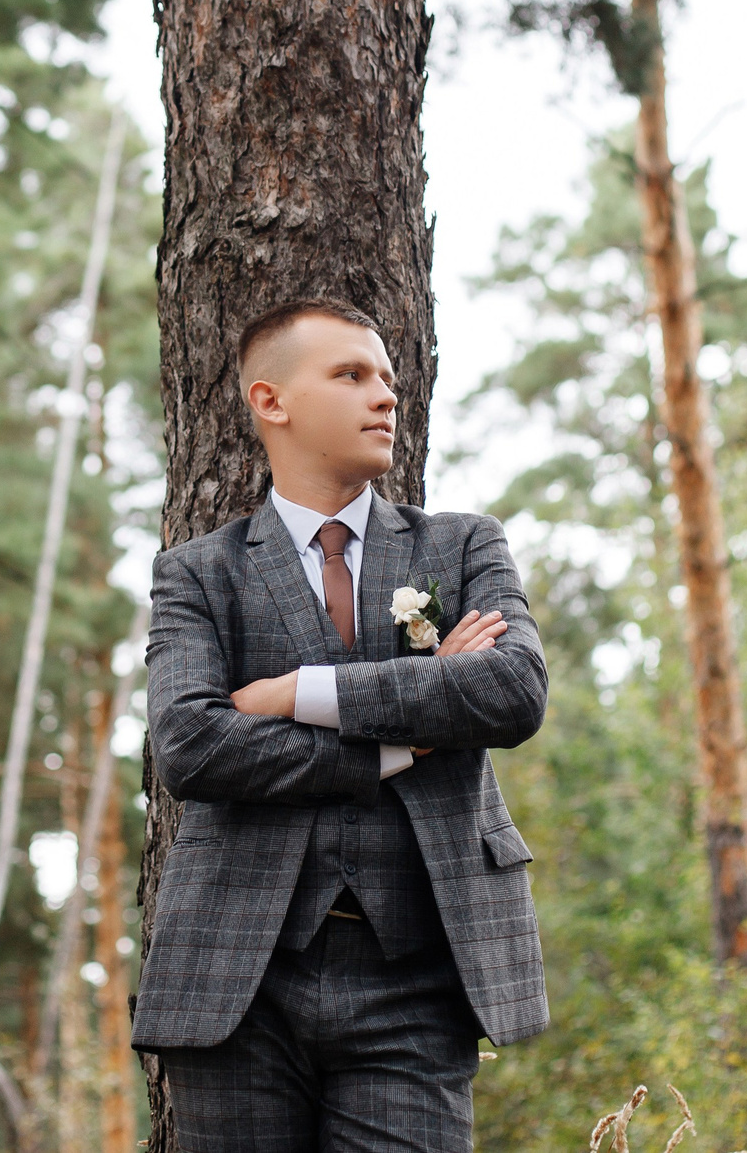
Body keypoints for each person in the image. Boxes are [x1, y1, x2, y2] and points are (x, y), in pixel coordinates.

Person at [132, 298, 549, 1152]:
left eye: (389, 378)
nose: (385, 396)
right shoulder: (197, 575)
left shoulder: (464, 547)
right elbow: (192, 746)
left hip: (420, 977)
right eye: (352, 374)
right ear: (270, 400)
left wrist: (296, 690)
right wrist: (408, 734)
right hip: (237, 978)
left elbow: (511, 692)